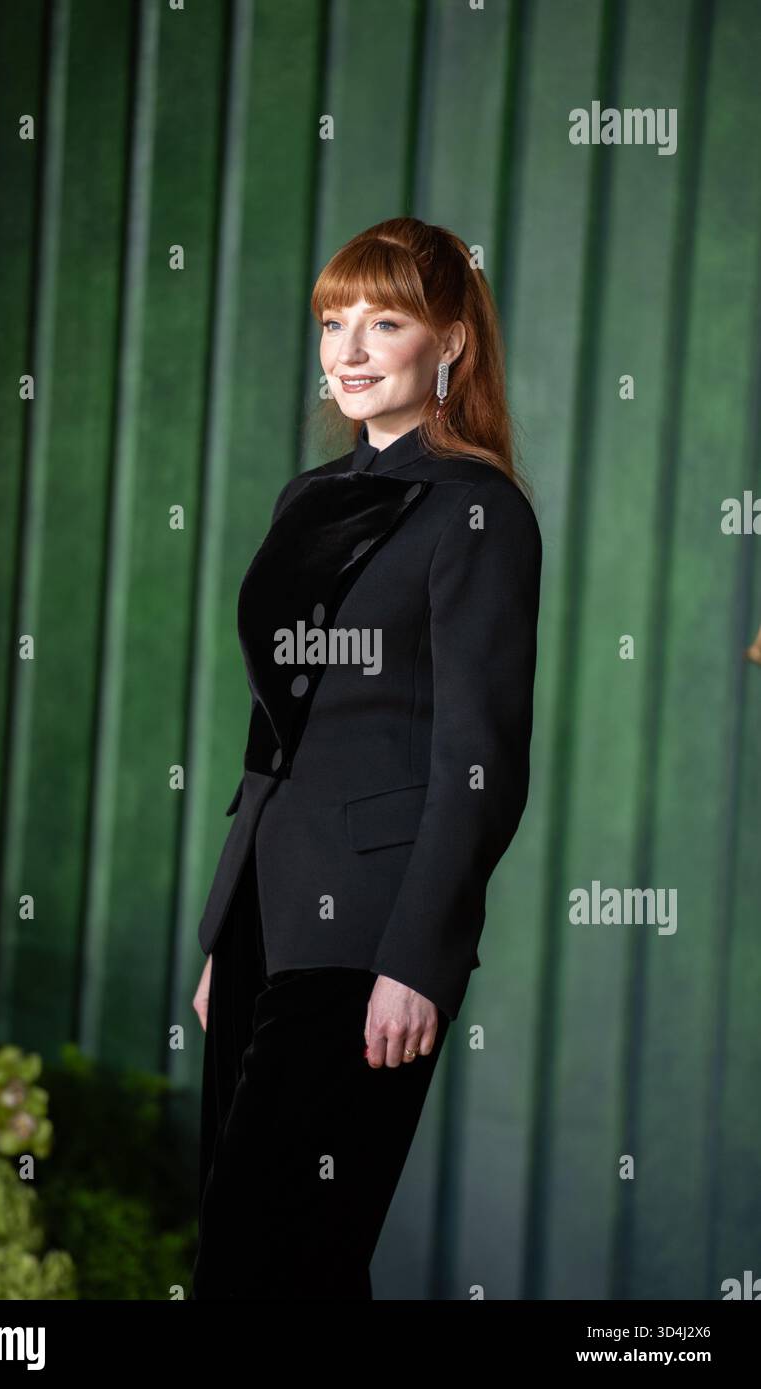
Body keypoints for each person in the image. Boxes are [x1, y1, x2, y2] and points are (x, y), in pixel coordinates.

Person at [190, 217, 542, 1300]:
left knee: (279, 1258)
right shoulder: (308, 498)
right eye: (334, 320)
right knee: (277, 1262)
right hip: (264, 915)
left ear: (449, 345)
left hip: (373, 932)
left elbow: (482, 759)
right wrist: (224, 928)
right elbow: (275, 724)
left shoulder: (481, 513)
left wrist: (419, 959)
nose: (348, 348)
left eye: (382, 320)